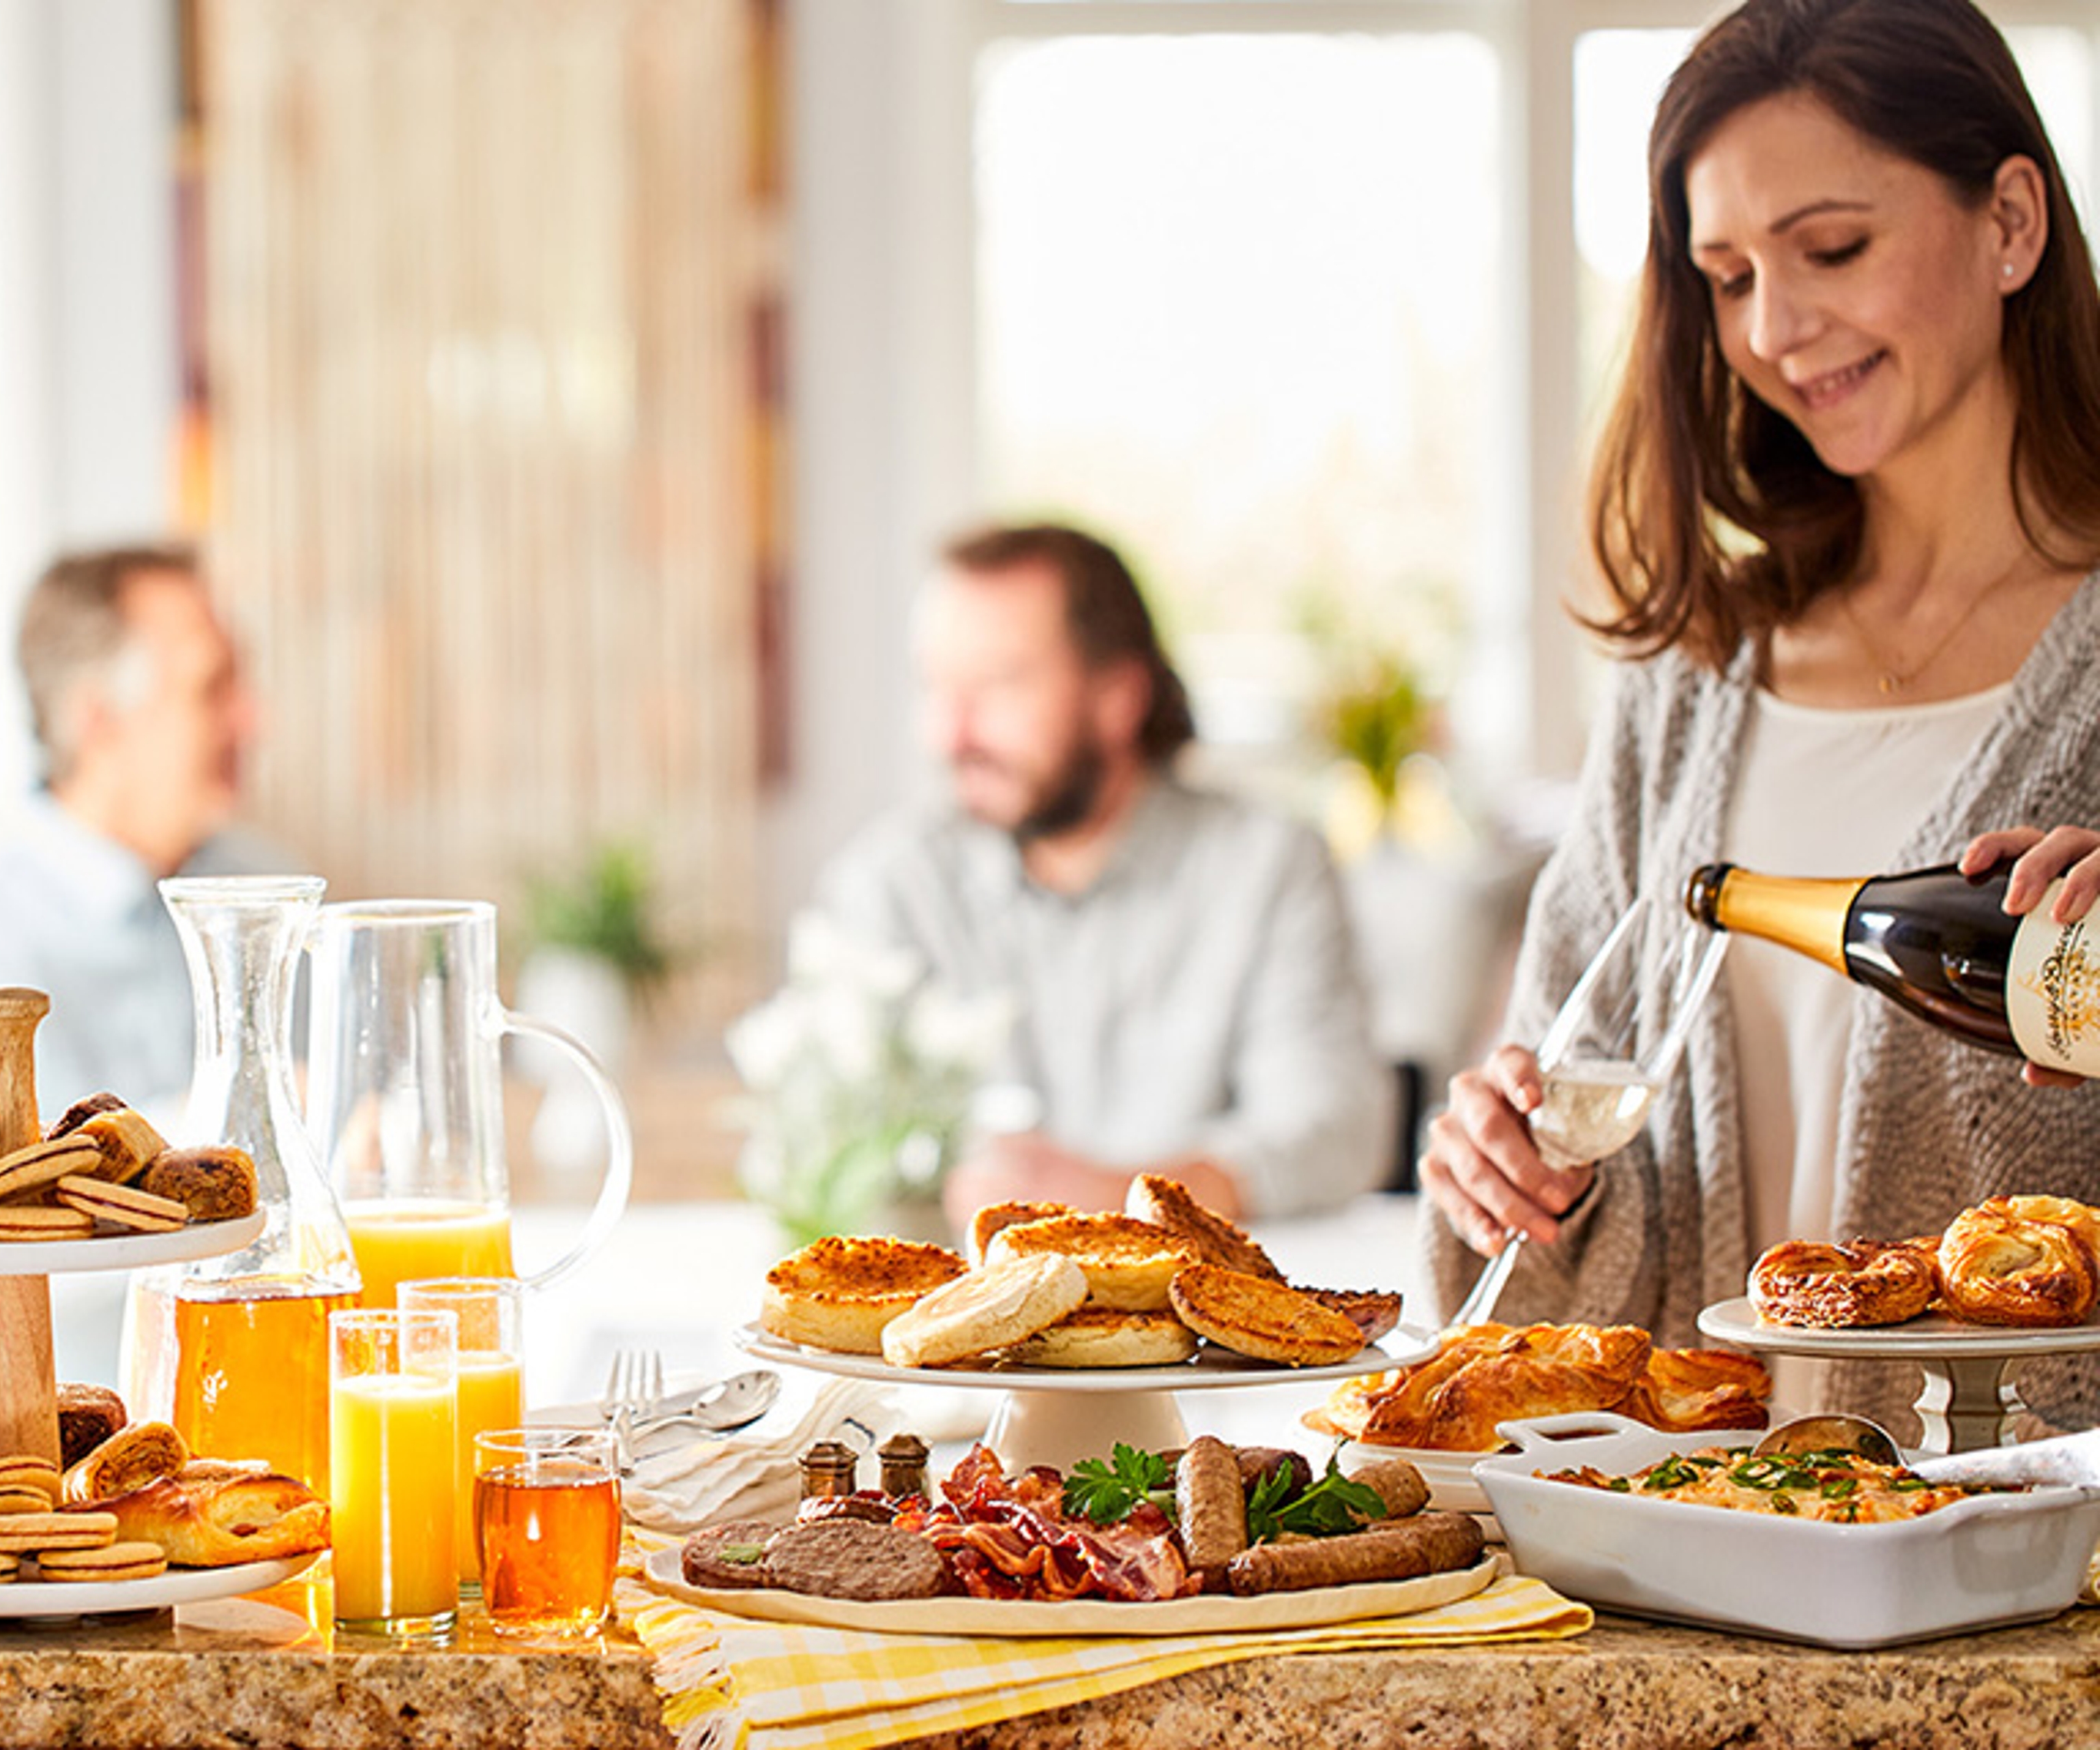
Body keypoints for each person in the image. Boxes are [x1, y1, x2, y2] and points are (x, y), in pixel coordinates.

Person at [1418, 0, 2100, 1430]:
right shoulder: (1690, 682)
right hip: (1710, 1560)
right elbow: (1545, 1241)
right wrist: (1505, 1172)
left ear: (2013, 223)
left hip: (2039, 1588)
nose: (1775, 331)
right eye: (1726, 277)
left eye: (1832, 249)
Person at [813, 521, 1394, 1230]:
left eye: (998, 685)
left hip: (1204, 1321)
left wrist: (1122, 1198)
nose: (951, 735)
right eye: (937, 686)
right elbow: (828, 1144)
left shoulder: (1268, 865)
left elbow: (1334, 1132)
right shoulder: (891, 883)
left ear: (1119, 696)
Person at [0, 542, 291, 1391]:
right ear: (98, 719)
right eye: (213, 687)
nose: (252, 721)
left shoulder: (258, 880)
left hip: (236, 1399)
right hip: (4, 1430)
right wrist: (262, 1117)